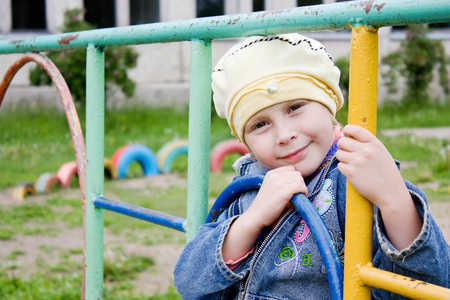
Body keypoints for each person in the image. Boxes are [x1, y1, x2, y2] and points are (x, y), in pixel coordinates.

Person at [173, 33, 450, 299]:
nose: (284, 135)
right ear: (246, 144)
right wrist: (251, 221)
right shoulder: (250, 188)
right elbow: (189, 281)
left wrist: (395, 202)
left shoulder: (353, 180)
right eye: (260, 124)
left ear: (330, 105)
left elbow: (428, 288)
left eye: (295, 107)